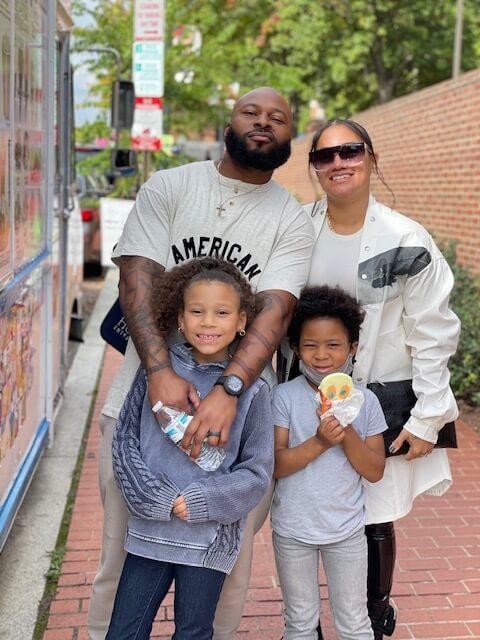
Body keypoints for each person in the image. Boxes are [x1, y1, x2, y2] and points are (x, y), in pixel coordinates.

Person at [87, 87, 315, 640]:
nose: (263, 124)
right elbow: (136, 280)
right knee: (121, 563)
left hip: (234, 428)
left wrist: (231, 388)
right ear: (229, 120)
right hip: (143, 408)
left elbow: (276, 310)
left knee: (225, 573)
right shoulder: (171, 186)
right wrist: (161, 371)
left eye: (278, 119)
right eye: (252, 113)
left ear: (290, 136)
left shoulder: (292, 220)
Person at [305, 119, 460, 639]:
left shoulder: (404, 238)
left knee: (373, 513)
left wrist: (427, 417)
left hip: (381, 400)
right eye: (325, 156)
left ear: (371, 158)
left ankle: (373, 615)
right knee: (306, 506)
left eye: (349, 151)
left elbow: (433, 332)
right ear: (314, 169)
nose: (338, 163)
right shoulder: (297, 231)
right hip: (305, 399)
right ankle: (308, 623)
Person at [106, 257, 274, 640]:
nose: (209, 322)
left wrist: (201, 501)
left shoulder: (255, 392)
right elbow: (125, 442)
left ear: (242, 322)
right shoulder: (156, 375)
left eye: (222, 312)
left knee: (193, 632)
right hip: (150, 532)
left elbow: (256, 473)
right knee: (124, 630)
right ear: (180, 319)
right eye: (197, 311)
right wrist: (159, 498)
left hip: (208, 541)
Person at [272, 285, 387, 639]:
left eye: (334, 345)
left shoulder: (365, 401)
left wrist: (346, 430)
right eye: (310, 345)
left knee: (354, 621)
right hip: (292, 530)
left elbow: (374, 470)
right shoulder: (284, 397)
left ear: (352, 348)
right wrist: (321, 441)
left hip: (346, 531)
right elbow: (276, 465)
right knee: (300, 621)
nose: (321, 355)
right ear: (295, 347)